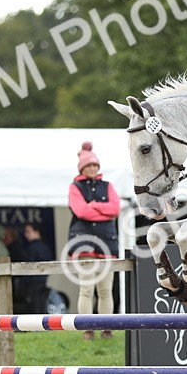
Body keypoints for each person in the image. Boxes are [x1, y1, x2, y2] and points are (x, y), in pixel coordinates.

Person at [68, 142, 120, 339]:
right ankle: (87, 329)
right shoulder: (75, 187)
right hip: (84, 246)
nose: (92, 168)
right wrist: (103, 211)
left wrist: (94, 206)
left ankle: (107, 328)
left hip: (107, 244)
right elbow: (80, 211)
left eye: (94, 165)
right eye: (88, 165)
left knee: (106, 290)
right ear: (82, 168)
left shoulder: (109, 186)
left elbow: (115, 210)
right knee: (87, 289)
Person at [10, 221, 54, 313]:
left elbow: (27, 268)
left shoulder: (32, 247)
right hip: (42, 283)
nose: (26, 235)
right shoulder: (45, 246)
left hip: (32, 285)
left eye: (28, 231)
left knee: (34, 311)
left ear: (36, 231)